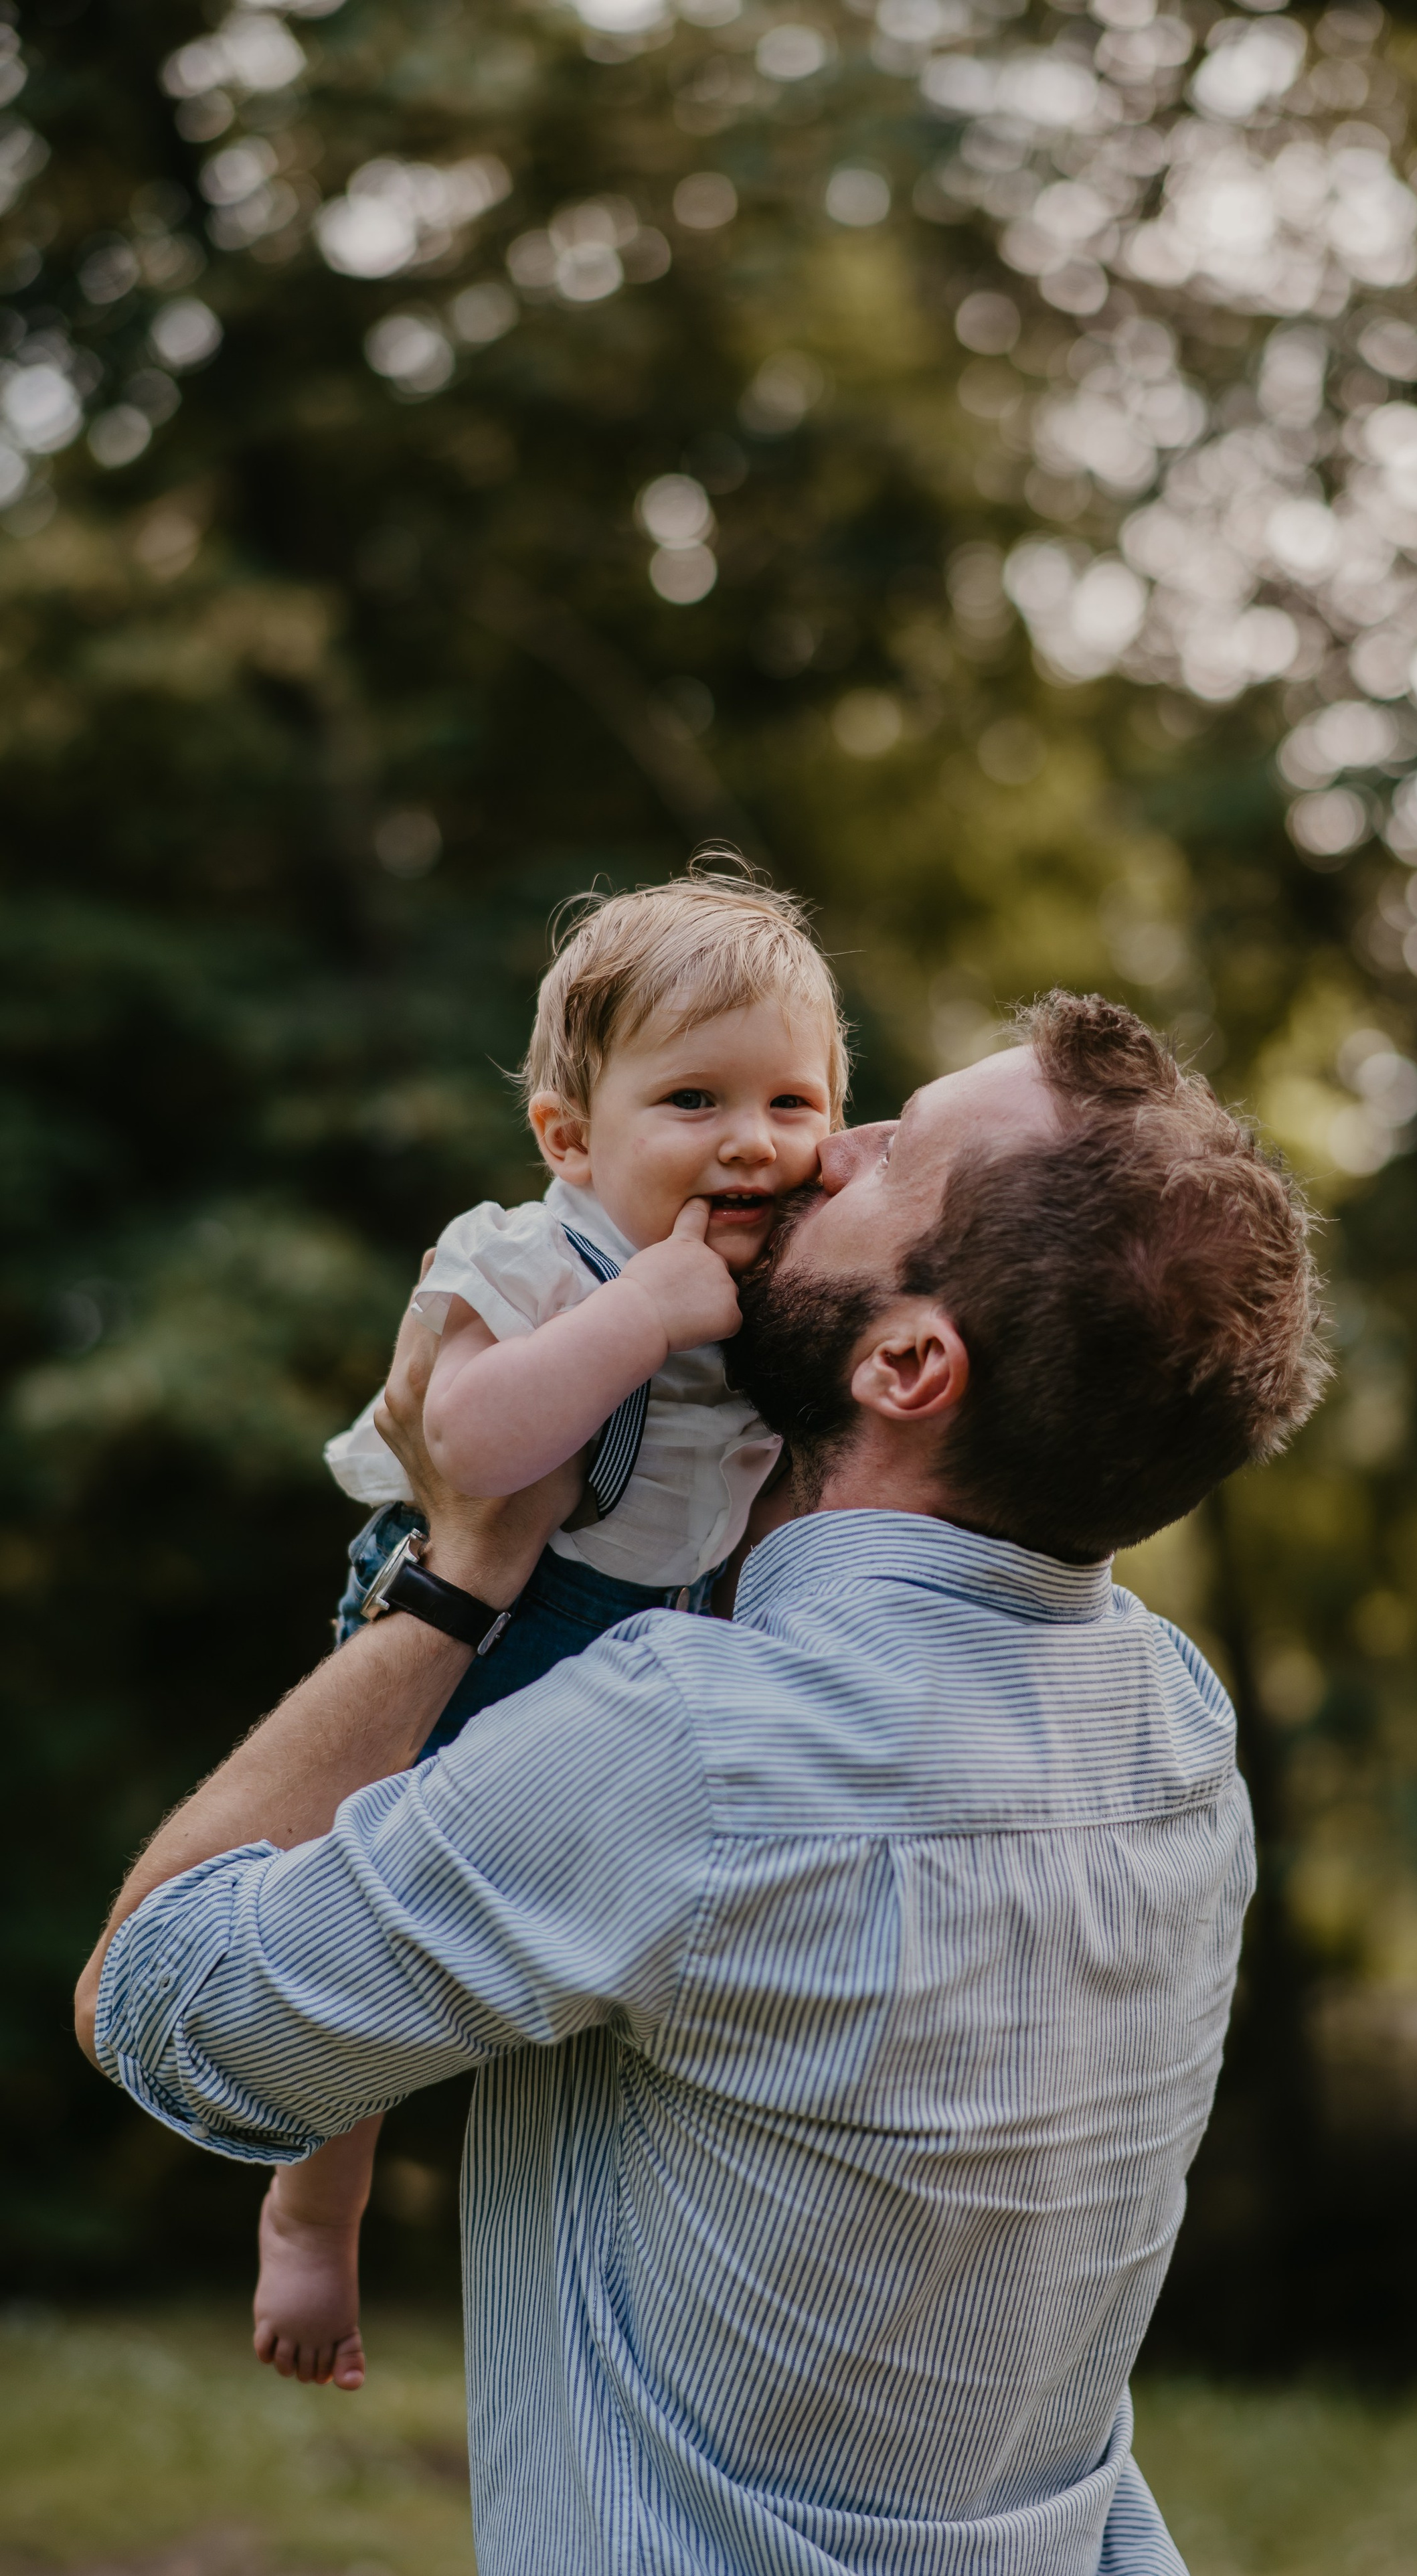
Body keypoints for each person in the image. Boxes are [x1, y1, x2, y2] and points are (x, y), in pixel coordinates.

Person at [78, 993, 1329, 2576]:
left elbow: (162, 2002)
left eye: (890, 1158)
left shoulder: (694, 1749)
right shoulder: (1169, 1725)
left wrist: (457, 1576)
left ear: (908, 1359)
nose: (823, 1146)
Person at [255, 866, 843, 2389]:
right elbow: (474, 1444)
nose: (751, 1140)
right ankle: (314, 2210)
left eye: (793, 1101)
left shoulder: (775, 1295)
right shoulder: (536, 1258)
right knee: (357, 1926)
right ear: (569, 1139)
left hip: (643, 1661)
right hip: (459, 1630)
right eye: (694, 1098)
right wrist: (639, 1316)